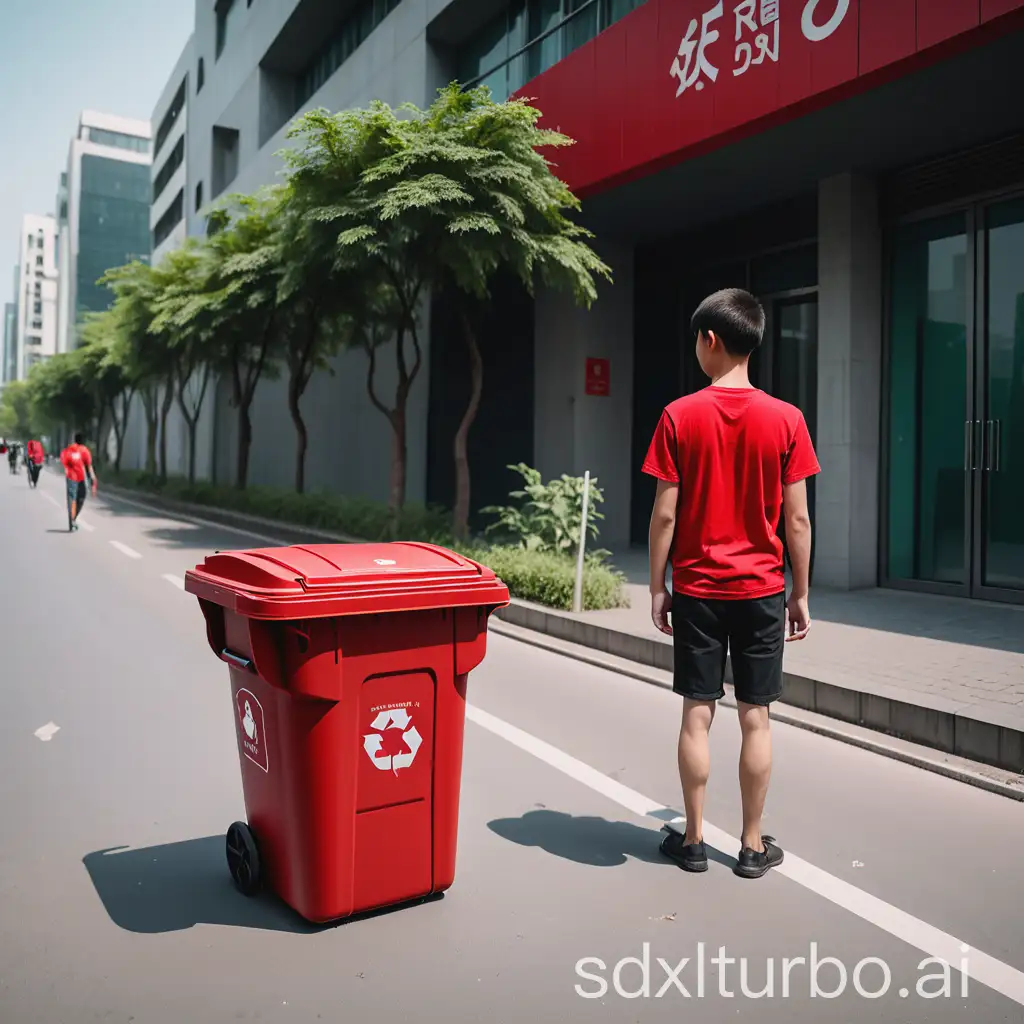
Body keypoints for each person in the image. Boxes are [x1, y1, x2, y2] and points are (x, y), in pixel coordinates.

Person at [643, 288, 820, 881]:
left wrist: (656, 586)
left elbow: (664, 515)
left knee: (698, 713)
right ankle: (749, 845)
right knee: (756, 716)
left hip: (697, 590)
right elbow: (796, 519)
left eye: (697, 339)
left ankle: (692, 841)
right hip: (763, 590)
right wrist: (798, 592)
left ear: (711, 340)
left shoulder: (679, 415)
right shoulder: (788, 419)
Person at [61, 433, 97, 530]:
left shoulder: (70, 450)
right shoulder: (85, 450)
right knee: (81, 497)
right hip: (81, 477)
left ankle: (72, 519)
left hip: (70, 477)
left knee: (71, 498)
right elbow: (89, 466)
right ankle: (73, 518)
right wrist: (93, 477)